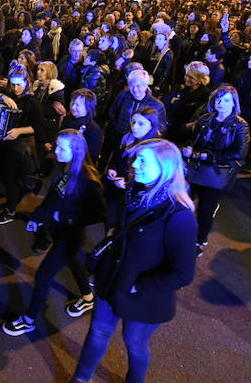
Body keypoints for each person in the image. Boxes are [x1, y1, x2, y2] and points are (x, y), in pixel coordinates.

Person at [70, 139, 197, 383]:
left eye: (143, 160)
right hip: (113, 281)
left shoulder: (179, 216)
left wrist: (139, 285)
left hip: (143, 295)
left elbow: (182, 273)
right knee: (97, 332)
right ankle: (81, 379)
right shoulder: (137, 191)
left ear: (165, 167)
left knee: (135, 343)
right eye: (136, 159)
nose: (135, 165)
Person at [1, 130, 104, 336]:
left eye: (61, 148)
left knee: (43, 276)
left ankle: (29, 320)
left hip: (70, 237)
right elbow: (52, 198)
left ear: (75, 151)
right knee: (74, 263)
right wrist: (38, 218)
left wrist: (67, 218)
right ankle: (88, 298)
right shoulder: (64, 168)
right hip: (58, 231)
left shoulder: (89, 180)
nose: (56, 150)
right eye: (57, 145)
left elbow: (99, 213)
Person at [182, 84, 250, 258]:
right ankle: (181, 236)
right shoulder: (205, 119)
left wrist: (207, 155)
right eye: (218, 99)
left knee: (205, 210)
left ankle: (199, 241)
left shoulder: (240, 125)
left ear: (233, 103)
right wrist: (189, 148)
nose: (221, 103)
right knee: (185, 205)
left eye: (226, 100)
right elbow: (193, 138)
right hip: (195, 170)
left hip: (216, 174)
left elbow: (238, 153)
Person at [0, 66, 46, 225]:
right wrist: (3, 96)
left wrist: (19, 131)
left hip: (19, 146)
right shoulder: (9, 94)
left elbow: (40, 126)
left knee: (12, 179)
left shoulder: (31, 102)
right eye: (13, 84)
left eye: (19, 84)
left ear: (26, 83)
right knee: (5, 174)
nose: (15, 88)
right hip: (5, 144)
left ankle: (10, 210)